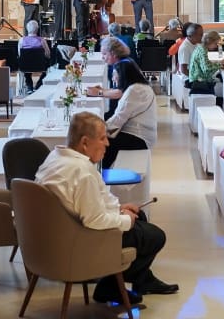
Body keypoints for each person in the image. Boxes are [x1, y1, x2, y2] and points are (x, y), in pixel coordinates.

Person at [35, 112, 179, 303]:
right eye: (102, 138)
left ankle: (142, 280)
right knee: (155, 236)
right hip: (78, 241)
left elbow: (88, 202)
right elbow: (94, 220)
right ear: (85, 142)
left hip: (57, 236)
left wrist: (119, 208)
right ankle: (110, 287)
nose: (107, 144)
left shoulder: (56, 157)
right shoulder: (82, 172)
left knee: (140, 217)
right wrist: (125, 219)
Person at [103, 59, 158, 169]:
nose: (113, 79)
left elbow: (119, 118)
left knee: (101, 144)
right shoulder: (139, 87)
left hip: (139, 137)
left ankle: (100, 176)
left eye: (115, 75)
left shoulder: (135, 90)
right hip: (140, 134)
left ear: (123, 75)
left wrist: (100, 130)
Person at [17, 20, 52, 93]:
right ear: (37, 29)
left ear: (27, 29)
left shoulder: (22, 40)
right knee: (47, 68)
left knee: (26, 68)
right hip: (40, 65)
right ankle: (38, 85)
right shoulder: (42, 40)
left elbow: (20, 55)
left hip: (25, 66)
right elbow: (48, 54)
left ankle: (29, 87)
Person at [187, 30, 221, 99]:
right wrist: (220, 64)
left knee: (218, 79)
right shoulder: (202, 51)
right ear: (210, 41)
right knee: (220, 82)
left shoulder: (201, 47)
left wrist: (216, 63)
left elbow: (204, 63)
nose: (216, 46)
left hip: (196, 78)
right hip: (198, 81)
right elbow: (206, 69)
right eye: (215, 43)